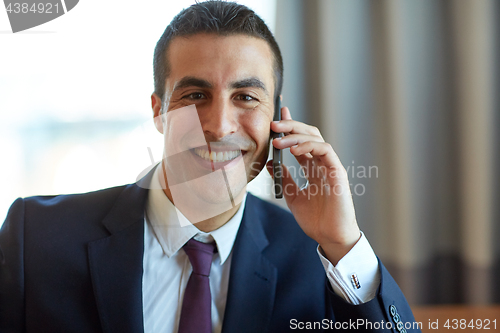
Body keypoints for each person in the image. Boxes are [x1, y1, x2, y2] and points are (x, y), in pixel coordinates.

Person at [0, 1, 421, 332]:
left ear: (279, 120)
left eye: (246, 97)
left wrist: (343, 243)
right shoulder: (34, 236)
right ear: (158, 112)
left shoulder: (320, 260)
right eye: (196, 96)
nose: (218, 127)